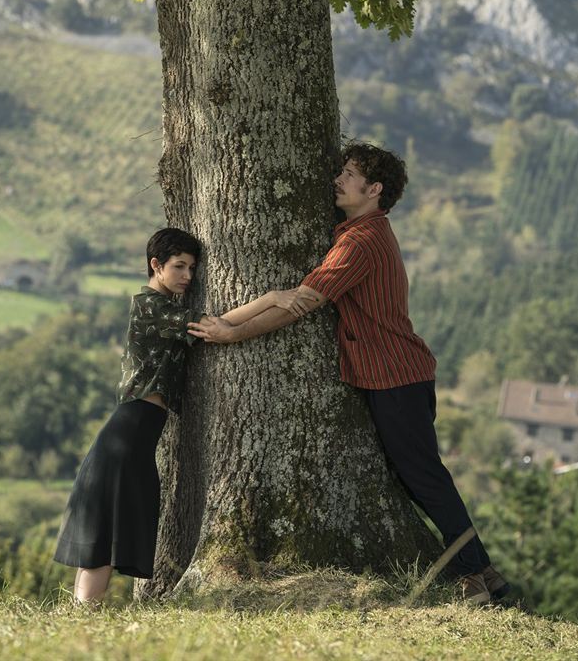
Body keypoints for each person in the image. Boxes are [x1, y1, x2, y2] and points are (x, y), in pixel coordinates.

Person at [188, 142, 509, 605]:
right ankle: (485, 575)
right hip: (394, 374)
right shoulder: (363, 232)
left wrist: (232, 333)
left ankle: (476, 574)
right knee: (420, 476)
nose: (338, 179)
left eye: (350, 173)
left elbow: (302, 303)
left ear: (374, 189)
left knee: (423, 478)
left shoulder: (361, 241)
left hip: (396, 375)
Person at [53, 227, 203, 603]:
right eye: (179, 266)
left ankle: (83, 617)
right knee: (102, 538)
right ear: (156, 265)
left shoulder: (167, 306)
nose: (188, 276)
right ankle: (84, 618)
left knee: (106, 534)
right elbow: (210, 326)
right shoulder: (150, 305)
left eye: (192, 268)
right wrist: (272, 301)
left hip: (135, 436)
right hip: (128, 433)